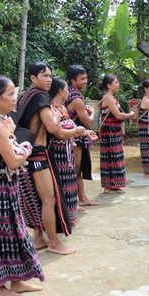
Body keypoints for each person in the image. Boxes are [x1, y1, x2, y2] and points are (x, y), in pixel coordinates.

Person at [0, 75, 44, 296]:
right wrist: (26, 152)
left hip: (3, 184)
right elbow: (13, 161)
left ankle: (16, 280)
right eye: (11, 94)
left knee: (14, 231)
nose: (15, 98)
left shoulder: (0, 120)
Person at [16, 62, 86, 256]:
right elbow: (52, 128)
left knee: (38, 198)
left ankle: (38, 238)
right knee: (49, 199)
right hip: (38, 153)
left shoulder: (26, 96)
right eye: (44, 75)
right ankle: (54, 243)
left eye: (50, 75)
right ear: (32, 78)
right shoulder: (40, 97)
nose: (49, 79)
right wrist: (55, 116)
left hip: (28, 152)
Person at [50, 78, 97, 225]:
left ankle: (69, 214)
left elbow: (69, 129)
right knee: (62, 184)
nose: (68, 91)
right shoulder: (51, 110)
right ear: (60, 91)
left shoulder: (62, 109)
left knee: (69, 182)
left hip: (67, 151)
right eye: (66, 88)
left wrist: (84, 132)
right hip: (58, 152)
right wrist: (78, 130)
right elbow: (60, 133)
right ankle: (63, 217)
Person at [64, 65, 99, 208]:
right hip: (75, 137)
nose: (85, 81)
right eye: (82, 79)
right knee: (74, 168)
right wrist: (91, 112)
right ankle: (74, 200)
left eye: (86, 78)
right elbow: (88, 122)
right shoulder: (76, 99)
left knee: (75, 169)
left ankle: (81, 198)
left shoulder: (70, 95)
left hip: (75, 136)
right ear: (73, 81)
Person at [99, 74, 135, 193]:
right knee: (111, 158)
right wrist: (130, 115)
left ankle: (114, 184)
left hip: (114, 132)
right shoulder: (108, 98)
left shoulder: (111, 98)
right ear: (109, 85)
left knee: (115, 157)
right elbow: (118, 115)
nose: (118, 84)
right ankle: (109, 185)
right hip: (109, 133)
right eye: (116, 82)